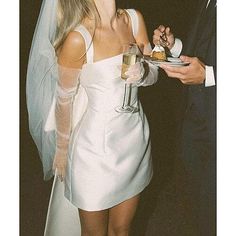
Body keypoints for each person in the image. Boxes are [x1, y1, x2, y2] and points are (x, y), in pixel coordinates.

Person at [26, 0, 158, 235]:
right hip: (93, 153)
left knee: (122, 229)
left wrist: (144, 73)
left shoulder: (134, 19)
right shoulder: (79, 39)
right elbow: (64, 101)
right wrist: (62, 150)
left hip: (135, 141)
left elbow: (153, 71)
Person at [153, 0, 216, 234]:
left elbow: (210, 67)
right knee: (200, 206)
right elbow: (204, 49)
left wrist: (210, 75)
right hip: (195, 121)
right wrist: (173, 46)